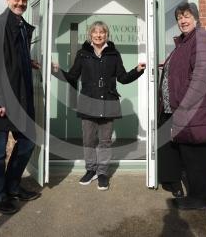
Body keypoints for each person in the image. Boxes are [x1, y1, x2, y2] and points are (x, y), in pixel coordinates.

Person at [52, 21, 145, 190]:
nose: (98, 35)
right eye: (95, 32)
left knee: (105, 141)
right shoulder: (82, 54)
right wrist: (56, 71)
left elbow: (123, 78)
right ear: (90, 35)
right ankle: (90, 170)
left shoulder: (114, 55)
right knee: (88, 140)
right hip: (88, 103)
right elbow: (73, 76)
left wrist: (137, 70)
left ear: (106, 35)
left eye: (102, 32)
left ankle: (102, 173)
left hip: (108, 103)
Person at [157, 2, 206, 211]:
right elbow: (183, 71)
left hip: (193, 110)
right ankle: (181, 187)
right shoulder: (184, 43)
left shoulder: (202, 40)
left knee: (197, 154)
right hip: (176, 108)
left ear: (196, 18)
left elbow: (201, 78)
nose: (182, 20)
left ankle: (200, 199)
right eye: (179, 17)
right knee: (182, 152)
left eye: (187, 16)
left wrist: (183, 107)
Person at [0, 0, 41, 215]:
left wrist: (29, 63)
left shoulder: (22, 27)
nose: (20, 3)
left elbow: (13, 59)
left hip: (20, 100)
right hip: (0, 101)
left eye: (24, 0)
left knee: (27, 142)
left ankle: (12, 186)